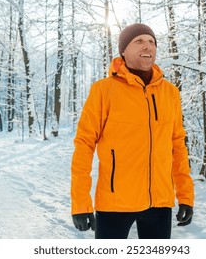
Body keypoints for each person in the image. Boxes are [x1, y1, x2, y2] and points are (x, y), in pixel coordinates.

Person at [71, 23, 194, 239]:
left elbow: (177, 146)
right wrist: (81, 203)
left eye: (152, 42)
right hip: (114, 203)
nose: (147, 46)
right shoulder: (104, 90)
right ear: (123, 51)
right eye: (139, 41)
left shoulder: (170, 92)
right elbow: (84, 144)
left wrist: (185, 196)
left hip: (159, 203)